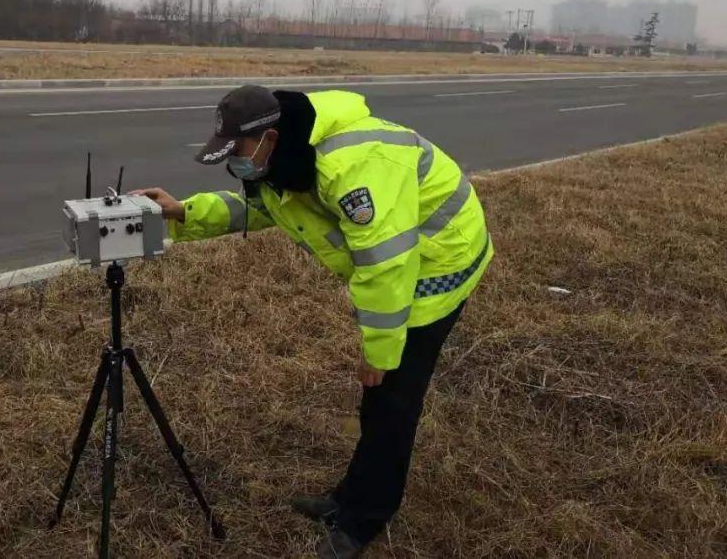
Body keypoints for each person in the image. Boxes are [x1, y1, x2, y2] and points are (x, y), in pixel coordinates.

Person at [133, 85, 492, 558]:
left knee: (391, 403)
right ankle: (348, 498)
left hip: (439, 262)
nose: (236, 163)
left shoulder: (354, 169)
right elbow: (260, 209)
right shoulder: (287, 158)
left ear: (270, 138)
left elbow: (386, 265)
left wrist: (379, 354)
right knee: (378, 400)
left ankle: (364, 521)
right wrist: (185, 211)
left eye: (238, 152)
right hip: (402, 260)